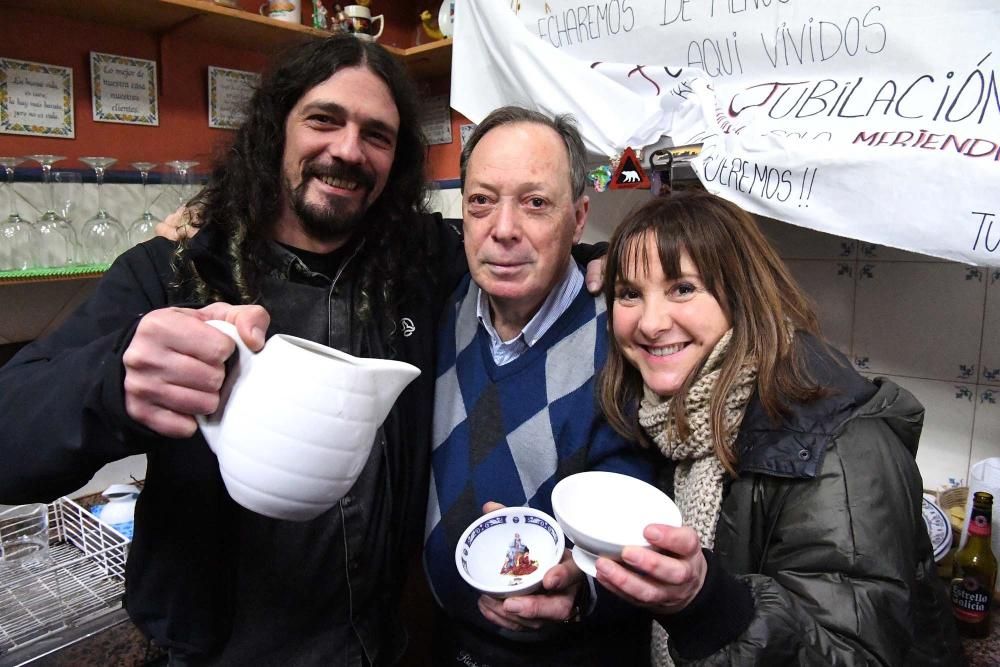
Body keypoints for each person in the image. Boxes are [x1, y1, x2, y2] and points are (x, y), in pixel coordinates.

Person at [0, 35, 468, 665]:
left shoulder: (418, 265)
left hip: (379, 645)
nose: (348, 150)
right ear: (276, 129)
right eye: (323, 120)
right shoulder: (177, 273)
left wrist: (616, 270)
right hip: (216, 652)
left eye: (377, 135)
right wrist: (112, 382)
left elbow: (525, 249)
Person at [593, 191, 964, 665]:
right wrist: (585, 593)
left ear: (742, 294)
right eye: (629, 294)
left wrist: (707, 607)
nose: (650, 322)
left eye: (683, 288)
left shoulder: (840, 444)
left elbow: (855, 654)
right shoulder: (670, 419)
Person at [422, 106, 655, 666]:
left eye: (535, 203)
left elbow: (643, 528)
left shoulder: (627, 337)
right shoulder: (444, 299)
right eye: (481, 200)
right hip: (443, 646)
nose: (503, 229)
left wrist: (583, 593)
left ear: (578, 219)